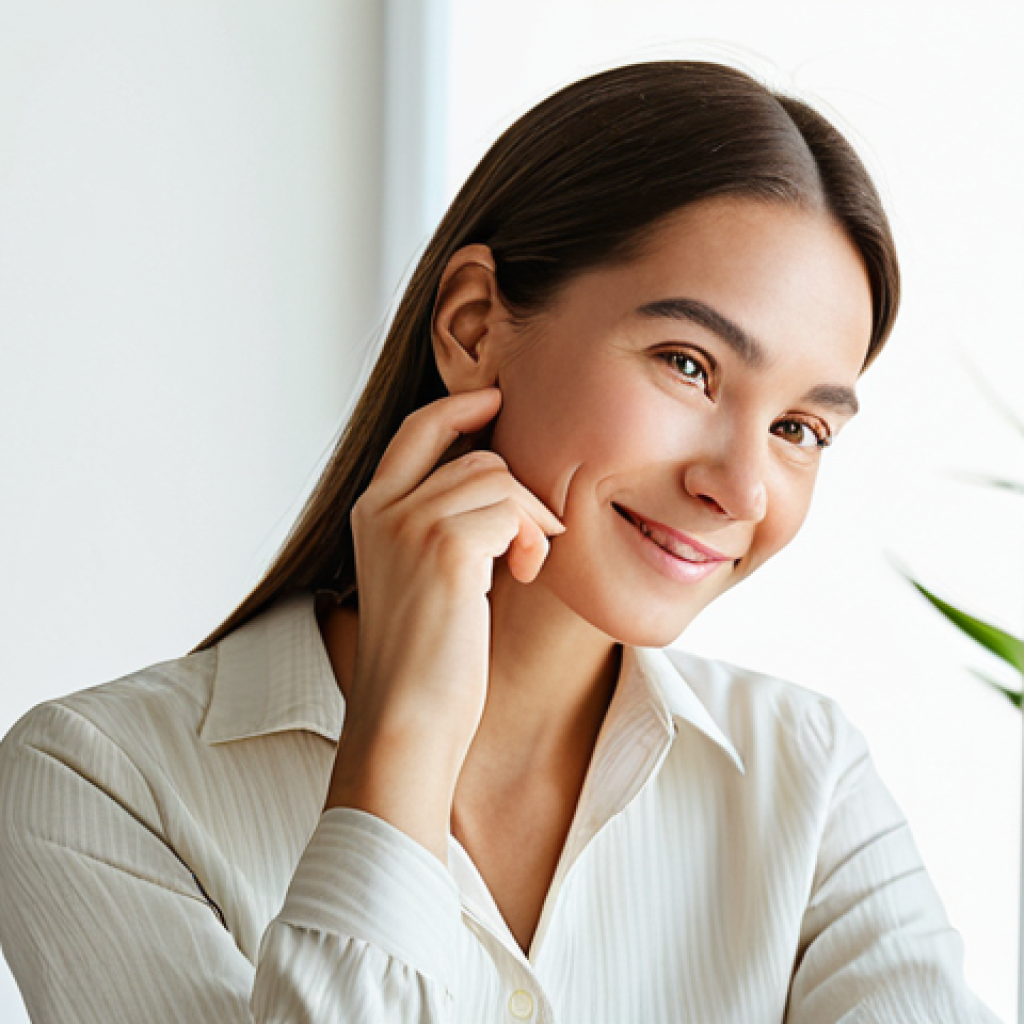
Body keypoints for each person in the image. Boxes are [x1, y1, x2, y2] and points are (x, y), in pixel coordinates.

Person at [0, 60, 1004, 1024]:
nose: (738, 488)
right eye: (688, 365)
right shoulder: (97, 781)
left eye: (798, 429)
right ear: (475, 324)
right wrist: (400, 744)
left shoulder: (804, 778)